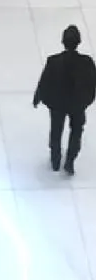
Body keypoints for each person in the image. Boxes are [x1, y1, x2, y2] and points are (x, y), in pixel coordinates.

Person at [33, 25, 96, 174]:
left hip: (57, 104)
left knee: (56, 130)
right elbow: (92, 84)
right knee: (76, 131)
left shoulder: (53, 61)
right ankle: (70, 161)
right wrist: (86, 101)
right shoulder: (87, 62)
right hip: (77, 104)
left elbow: (44, 81)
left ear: (63, 41)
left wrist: (39, 97)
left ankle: (55, 159)